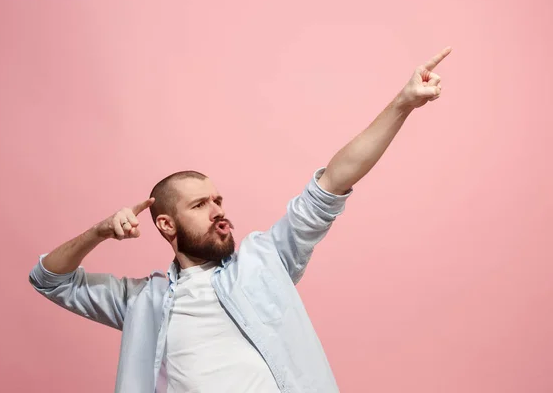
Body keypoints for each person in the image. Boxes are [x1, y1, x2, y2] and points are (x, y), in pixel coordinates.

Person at [29, 47, 451, 393]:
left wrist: (402, 105)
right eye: (200, 205)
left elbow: (331, 184)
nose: (219, 212)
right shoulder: (141, 302)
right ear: (166, 226)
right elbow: (50, 280)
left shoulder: (265, 261)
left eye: (219, 200)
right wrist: (100, 231)